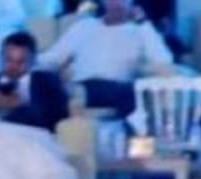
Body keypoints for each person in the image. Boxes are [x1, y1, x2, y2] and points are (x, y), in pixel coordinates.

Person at [39, 0, 174, 114]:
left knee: (132, 90)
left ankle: (80, 95)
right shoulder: (84, 26)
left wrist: (143, 23)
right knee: (42, 80)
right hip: (82, 84)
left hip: (118, 88)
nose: (116, 3)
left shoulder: (139, 30)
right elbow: (52, 57)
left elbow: (163, 60)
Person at [0, 31, 71, 131]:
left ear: (33, 60)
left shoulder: (49, 81)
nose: (14, 66)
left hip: (32, 139)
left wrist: (21, 107)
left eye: (21, 62)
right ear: (1, 56)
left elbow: (60, 117)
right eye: (8, 60)